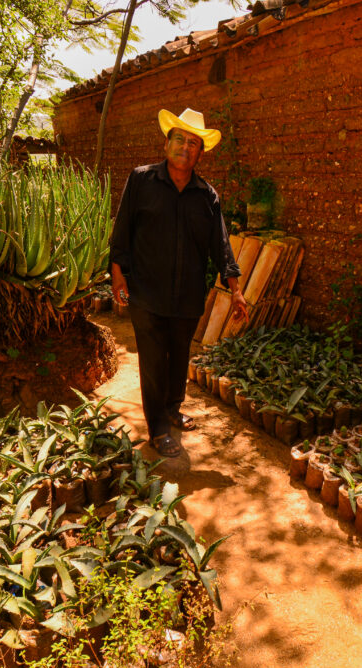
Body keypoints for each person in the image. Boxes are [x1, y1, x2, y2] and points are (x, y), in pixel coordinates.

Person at [109, 107, 248, 457]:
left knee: (178, 356)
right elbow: (122, 229)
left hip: (187, 295)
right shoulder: (141, 180)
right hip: (147, 292)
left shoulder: (207, 195)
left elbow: (221, 244)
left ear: (200, 152)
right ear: (167, 143)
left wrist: (236, 291)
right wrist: (117, 275)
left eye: (193, 143)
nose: (185, 147)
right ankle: (157, 427)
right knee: (153, 360)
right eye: (179, 139)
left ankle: (172, 407)